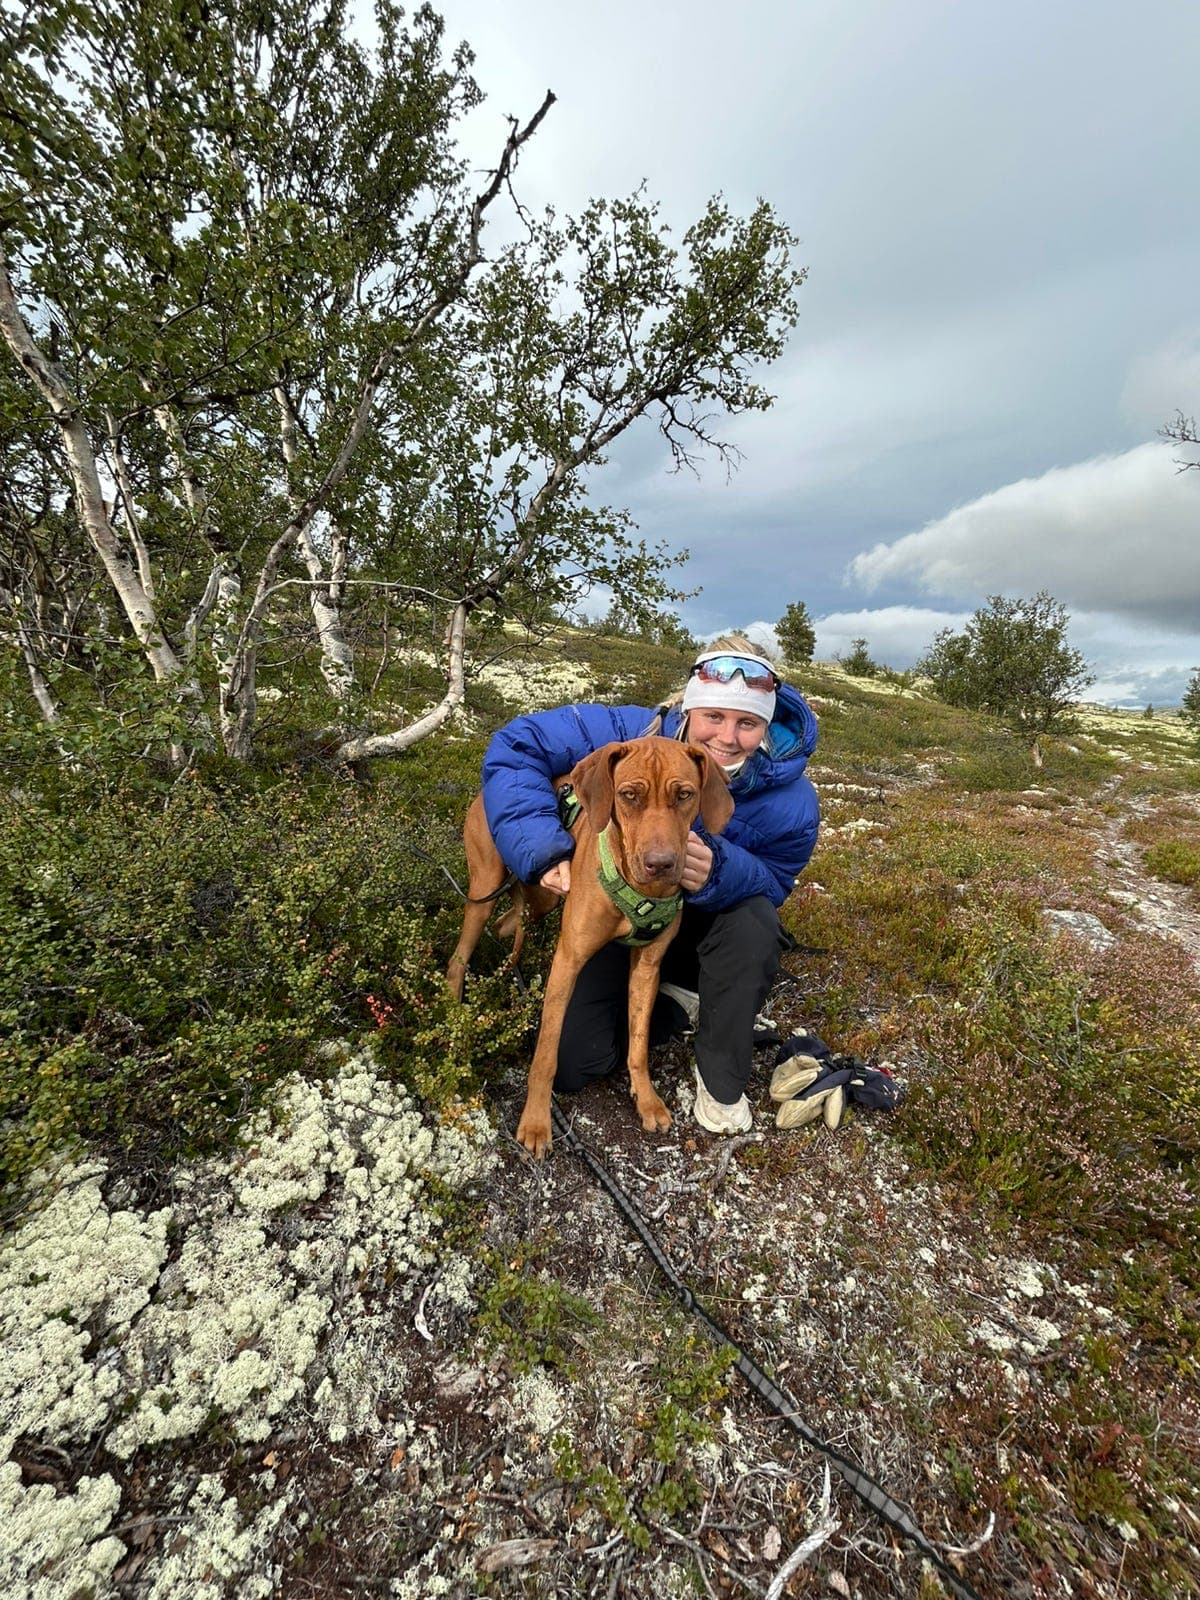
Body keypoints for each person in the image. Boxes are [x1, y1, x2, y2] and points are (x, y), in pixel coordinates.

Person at [480, 634, 820, 1134]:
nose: (727, 737)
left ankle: (720, 1078)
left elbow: (774, 883)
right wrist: (544, 848)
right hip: (621, 900)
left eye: (747, 722)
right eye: (714, 718)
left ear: (766, 724)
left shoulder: (794, 802)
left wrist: (719, 870)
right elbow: (515, 745)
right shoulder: (623, 732)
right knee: (581, 1061)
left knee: (756, 920)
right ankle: (671, 999)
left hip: (705, 919)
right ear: (689, 707)